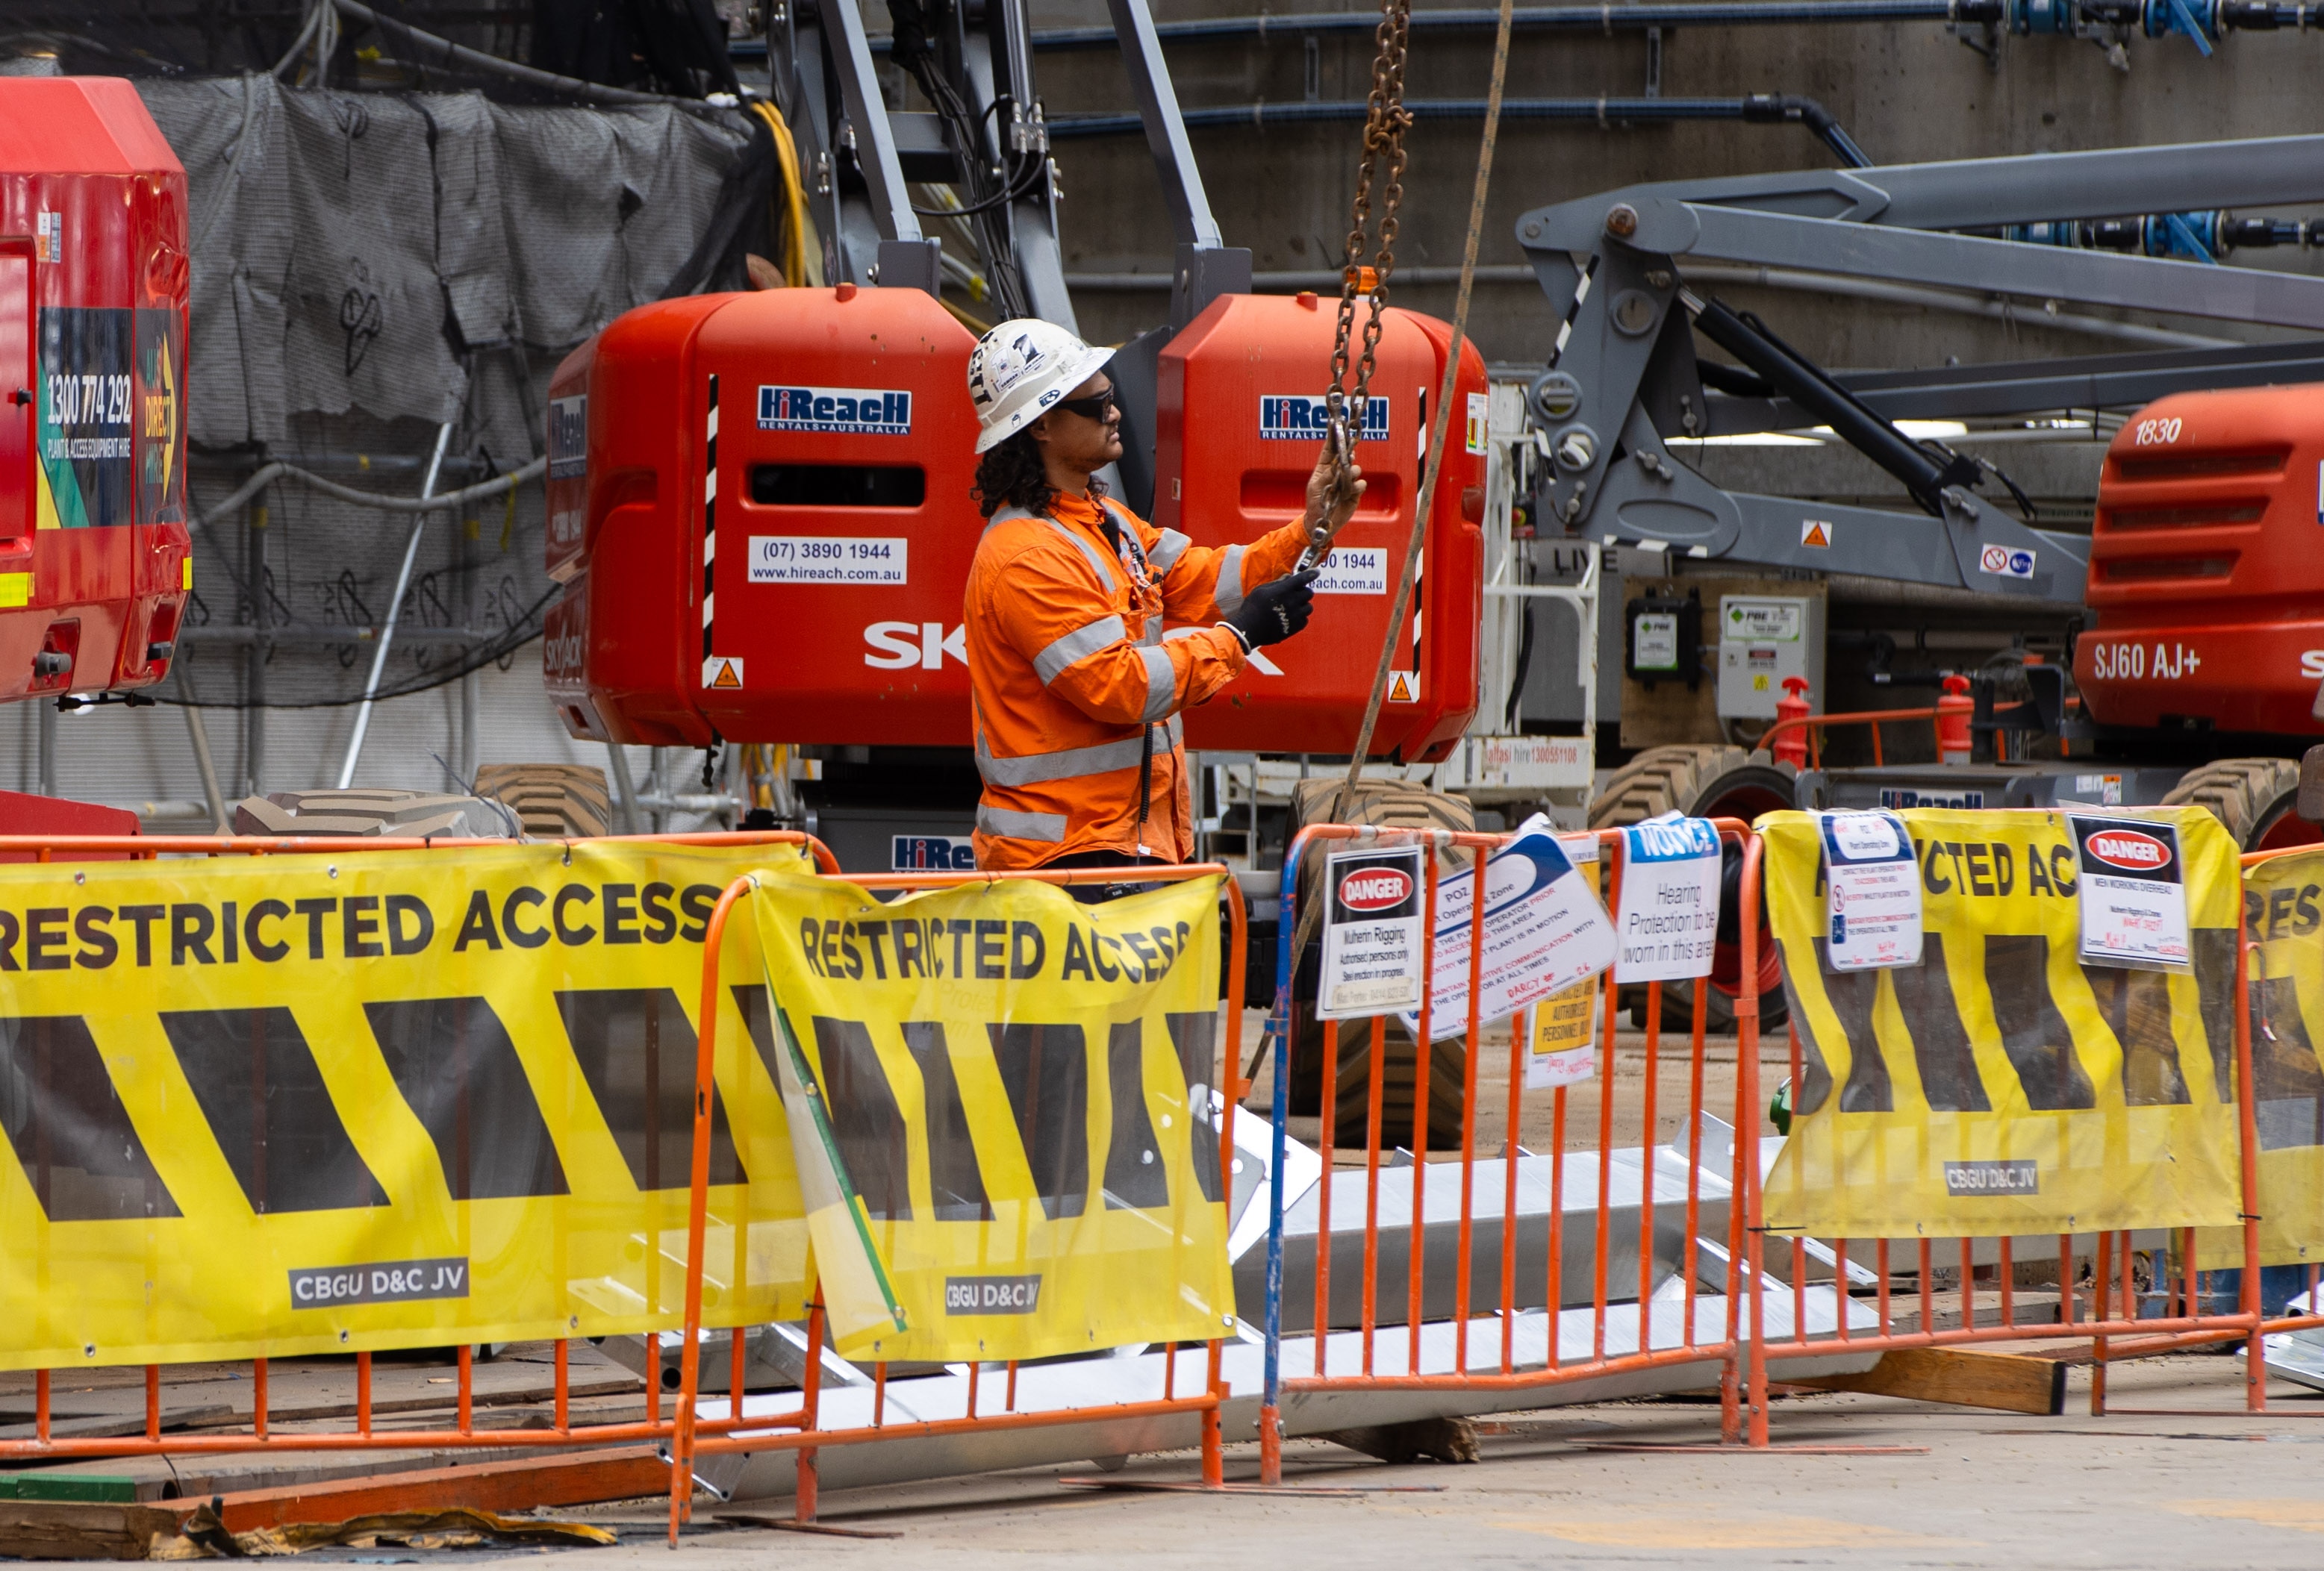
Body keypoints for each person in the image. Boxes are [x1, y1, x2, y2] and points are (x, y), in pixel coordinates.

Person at [962, 317, 1363, 883]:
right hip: (1063, 866)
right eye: (1095, 403)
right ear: (1042, 426)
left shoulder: (1106, 523)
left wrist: (1310, 528)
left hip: (1116, 849)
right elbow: (1118, 686)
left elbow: (1206, 578)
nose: (1114, 411)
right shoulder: (1026, 555)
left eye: (1110, 395)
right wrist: (1241, 636)